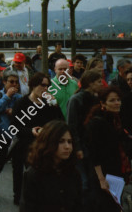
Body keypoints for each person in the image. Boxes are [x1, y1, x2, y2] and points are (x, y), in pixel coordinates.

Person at [12, 72, 65, 206]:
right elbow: (15, 127)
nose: (45, 89)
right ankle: (19, 196)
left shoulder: (48, 103)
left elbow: (60, 122)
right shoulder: (22, 103)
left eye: (48, 86)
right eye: (43, 85)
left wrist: (55, 105)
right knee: (23, 172)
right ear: (33, 85)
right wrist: (30, 131)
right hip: (25, 143)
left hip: (45, 144)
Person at [85, 86, 132, 212]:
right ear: (103, 103)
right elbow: (94, 154)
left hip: (117, 171)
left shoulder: (115, 119)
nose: (117, 103)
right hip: (104, 174)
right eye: (112, 100)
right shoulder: (96, 123)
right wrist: (101, 179)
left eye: (118, 99)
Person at [20, 120, 82, 211]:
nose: (67, 146)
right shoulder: (34, 174)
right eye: (61, 141)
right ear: (49, 142)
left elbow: (78, 206)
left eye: (70, 142)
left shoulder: (74, 173)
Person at [66, 70, 102, 209]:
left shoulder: (96, 98)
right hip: (81, 146)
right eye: (98, 82)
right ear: (90, 83)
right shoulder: (76, 100)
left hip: (93, 146)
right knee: (84, 182)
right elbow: (72, 126)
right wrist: (77, 147)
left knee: (93, 182)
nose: (101, 84)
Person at [0, 69, 23, 203]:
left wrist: (13, 112)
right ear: (4, 82)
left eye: (16, 82)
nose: (14, 85)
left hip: (16, 136)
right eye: (11, 82)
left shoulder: (20, 98)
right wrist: (7, 97)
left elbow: (24, 114)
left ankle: (17, 195)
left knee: (18, 166)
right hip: (1, 134)